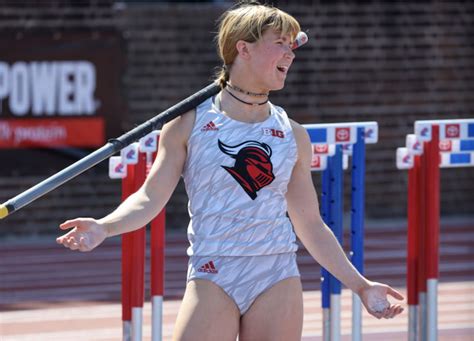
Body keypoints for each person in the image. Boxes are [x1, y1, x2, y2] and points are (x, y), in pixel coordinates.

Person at [56, 2, 404, 340]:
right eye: (279, 43)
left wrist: (361, 285)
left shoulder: (293, 134)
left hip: (276, 272)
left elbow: (310, 224)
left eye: (291, 44)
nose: (290, 53)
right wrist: (105, 226)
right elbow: (149, 197)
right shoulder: (188, 124)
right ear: (244, 48)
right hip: (214, 270)